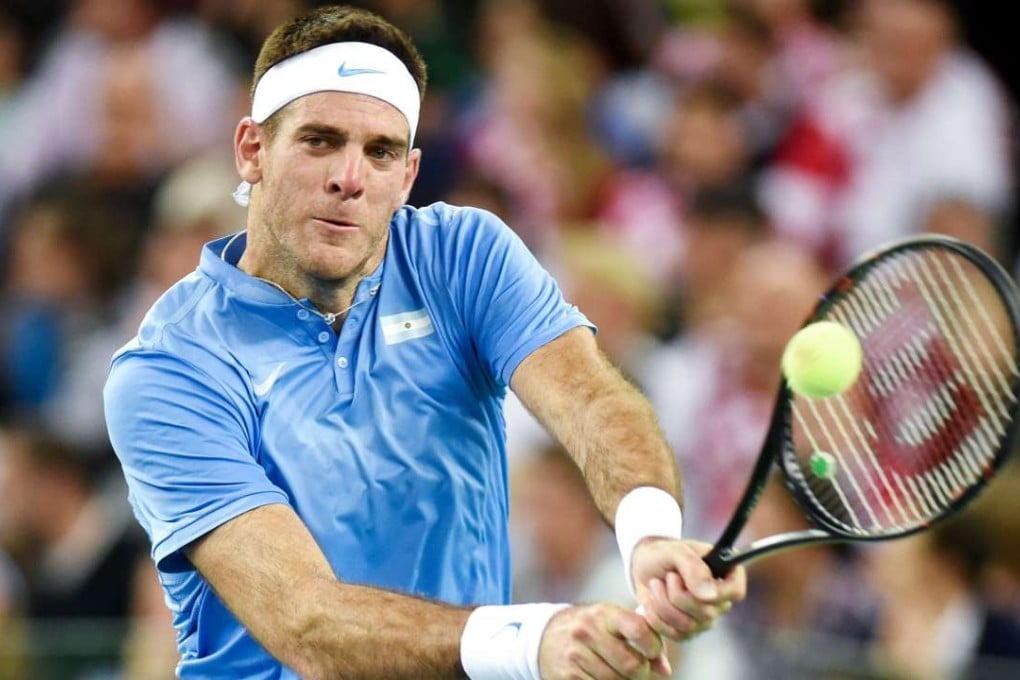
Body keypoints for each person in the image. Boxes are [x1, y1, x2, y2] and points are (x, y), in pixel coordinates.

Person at [102, 5, 746, 679]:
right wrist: (534, 640)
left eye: (380, 151)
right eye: (320, 140)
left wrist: (647, 535)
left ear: (408, 176)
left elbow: (588, 398)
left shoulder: (464, 255)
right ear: (251, 150)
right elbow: (307, 622)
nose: (349, 177)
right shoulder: (169, 370)